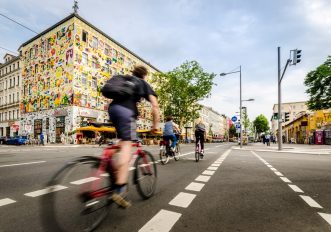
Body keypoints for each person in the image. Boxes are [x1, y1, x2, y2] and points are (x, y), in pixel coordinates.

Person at [107, 65, 160, 208]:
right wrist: (155, 126)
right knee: (127, 145)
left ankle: (108, 164)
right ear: (145, 75)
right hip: (126, 112)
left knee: (121, 142)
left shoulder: (126, 79)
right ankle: (120, 189)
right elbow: (155, 106)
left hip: (112, 110)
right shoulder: (142, 83)